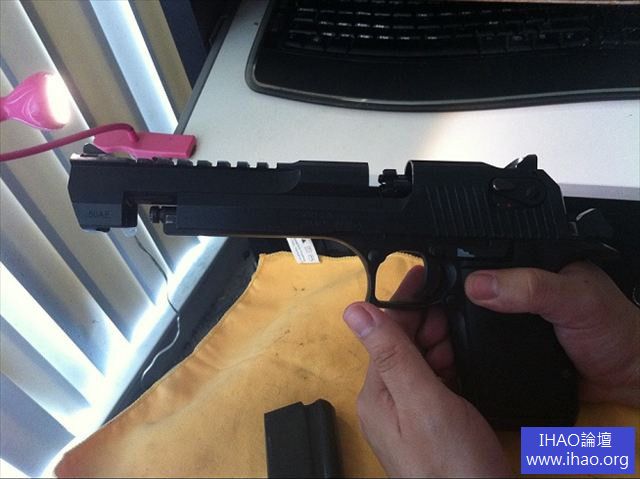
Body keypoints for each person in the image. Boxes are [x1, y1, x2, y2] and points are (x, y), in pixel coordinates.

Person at [342, 261, 640, 477]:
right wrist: (631, 367)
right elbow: (617, 451)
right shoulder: (612, 443)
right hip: (557, 426)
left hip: (533, 430)